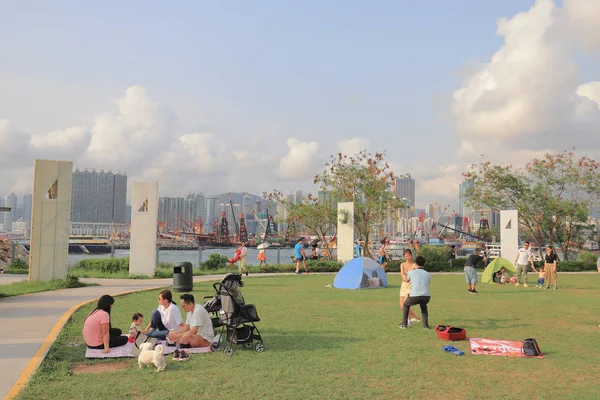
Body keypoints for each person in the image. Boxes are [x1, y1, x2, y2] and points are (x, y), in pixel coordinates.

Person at [399, 256, 431, 329]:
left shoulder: (411, 272)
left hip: (414, 296)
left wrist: (402, 274)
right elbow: (427, 283)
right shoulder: (428, 274)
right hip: (426, 296)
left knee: (406, 305)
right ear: (424, 264)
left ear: (415, 264)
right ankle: (425, 325)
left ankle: (404, 324)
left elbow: (406, 280)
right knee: (423, 307)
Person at [399, 249, 420, 324]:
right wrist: (404, 277)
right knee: (402, 306)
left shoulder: (414, 265)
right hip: (404, 286)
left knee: (406, 304)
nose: (407, 257)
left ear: (411, 255)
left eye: (409, 256)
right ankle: (416, 318)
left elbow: (419, 273)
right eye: (406, 256)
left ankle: (407, 321)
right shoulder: (402, 264)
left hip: (411, 286)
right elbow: (402, 274)